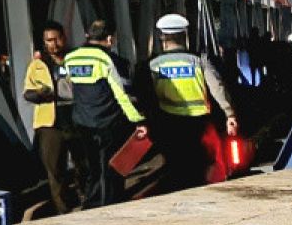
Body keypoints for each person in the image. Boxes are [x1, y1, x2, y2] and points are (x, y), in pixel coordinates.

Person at [139, 13, 238, 191]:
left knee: (177, 168)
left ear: (162, 37)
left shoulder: (152, 65)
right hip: (199, 124)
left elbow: (146, 97)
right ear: (185, 36)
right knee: (204, 165)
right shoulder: (199, 60)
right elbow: (218, 87)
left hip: (169, 123)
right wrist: (229, 113)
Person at [64, 20, 147, 208]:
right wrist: (138, 120)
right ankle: (109, 204)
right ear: (109, 39)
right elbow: (122, 94)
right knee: (111, 167)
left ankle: (91, 203)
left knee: (93, 167)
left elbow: (70, 86)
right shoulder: (110, 60)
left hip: (82, 122)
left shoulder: (71, 58)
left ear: (88, 36)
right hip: (108, 122)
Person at [22, 21, 83, 214]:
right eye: (49, 40)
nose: (53, 44)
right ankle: (63, 209)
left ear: (64, 38)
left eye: (56, 39)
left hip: (76, 118)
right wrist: (42, 93)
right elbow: (27, 92)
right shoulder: (38, 65)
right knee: (55, 170)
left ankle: (87, 201)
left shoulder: (75, 59)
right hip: (49, 124)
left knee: (83, 165)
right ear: (44, 42)